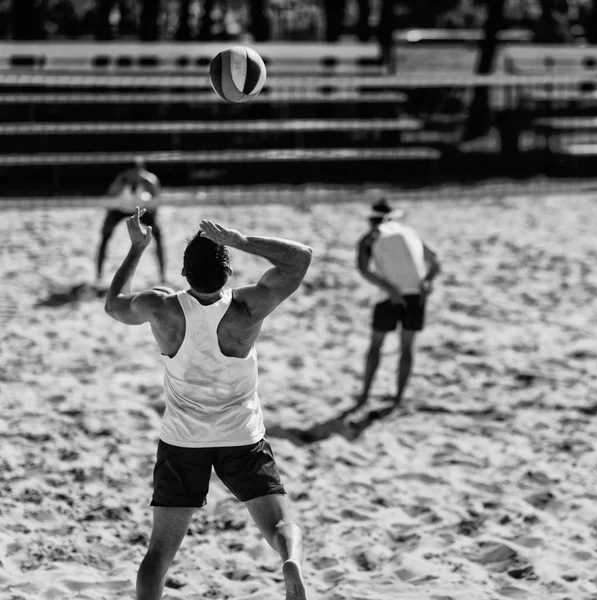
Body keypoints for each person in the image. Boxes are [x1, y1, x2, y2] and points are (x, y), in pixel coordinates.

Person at [104, 208, 312, 600]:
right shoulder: (249, 306)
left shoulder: (161, 306)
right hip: (241, 437)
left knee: (159, 554)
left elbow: (113, 304)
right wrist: (241, 241)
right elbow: (301, 256)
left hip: (183, 442)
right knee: (281, 525)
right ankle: (291, 561)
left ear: (184, 274)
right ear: (228, 273)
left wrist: (136, 249)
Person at [355, 198, 441, 409]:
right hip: (415, 294)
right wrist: (427, 280)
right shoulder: (408, 232)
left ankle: (365, 395)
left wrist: (390, 289)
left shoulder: (370, 238)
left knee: (376, 345)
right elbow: (435, 260)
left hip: (388, 297)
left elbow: (364, 269)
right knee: (407, 347)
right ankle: (398, 398)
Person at [96, 157, 166, 286]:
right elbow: (109, 199)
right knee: (105, 237)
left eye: (139, 171)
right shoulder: (121, 180)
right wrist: (108, 221)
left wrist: (154, 219)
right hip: (119, 209)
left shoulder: (150, 181)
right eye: (134, 171)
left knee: (158, 235)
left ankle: (162, 277)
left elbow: (156, 201)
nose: (136, 175)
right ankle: (98, 277)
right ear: (128, 172)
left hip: (141, 210)